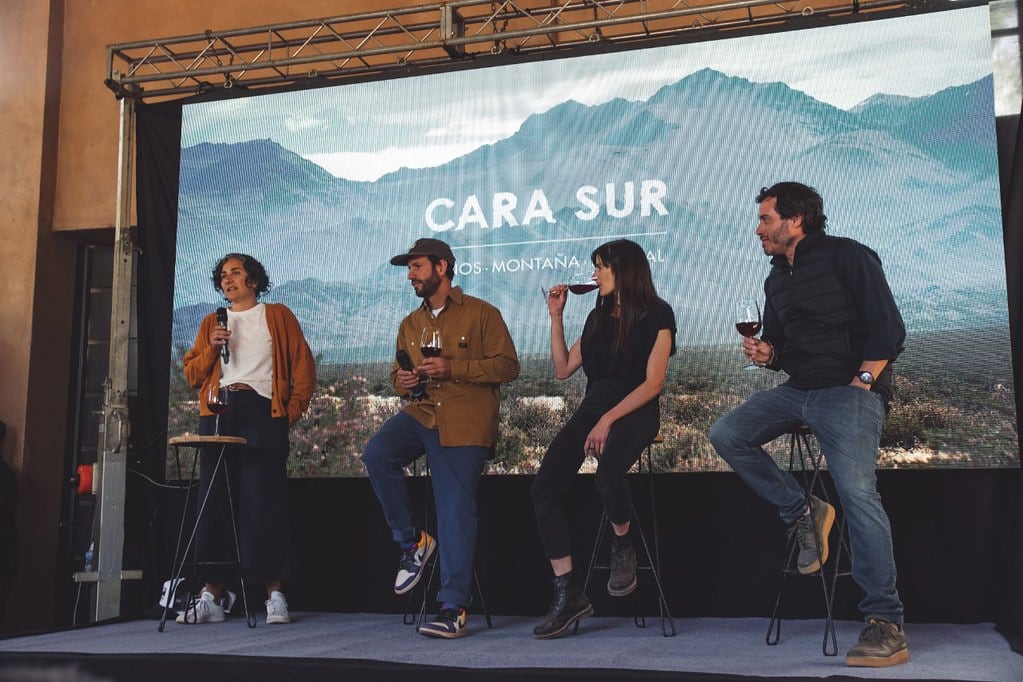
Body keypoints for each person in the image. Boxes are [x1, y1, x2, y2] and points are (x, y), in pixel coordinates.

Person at [708, 182, 909, 667]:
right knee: (727, 434)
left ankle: (886, 623)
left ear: (795, 219)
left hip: (848, 390)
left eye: (765, 219)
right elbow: (782, 351)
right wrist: (767, 353)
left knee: (859, 495)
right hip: (798, 390)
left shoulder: (849, 257)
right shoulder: (775, 279)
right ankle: (802, 510)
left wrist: (863, 383)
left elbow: (889, 329)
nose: (758, 229)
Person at [363, 238, 520, 639]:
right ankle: (412, 542)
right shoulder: (410, 324)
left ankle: (452, 608)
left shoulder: (483, 313)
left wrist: (454, 369)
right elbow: (399, 378)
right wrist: (405, 380)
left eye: (416, 267)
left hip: (464, 421)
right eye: (409, 269)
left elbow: (508, 366)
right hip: (421, 413)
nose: (410, 276)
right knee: (378, 454)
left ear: (442, 268)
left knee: (454, 512)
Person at [530, 239, 676, 639]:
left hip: (636, 409)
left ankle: (623, 542)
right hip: (595, 408)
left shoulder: (657, 314)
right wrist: (556, 317)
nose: (594, 274)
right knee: (544, 487)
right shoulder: (597, 316)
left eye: (600, 267)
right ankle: (568, 593)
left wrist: (608, 420)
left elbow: (654, 383)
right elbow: (563, 369)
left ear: (623, 269)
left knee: (608, 471)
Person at [180, 253, 316, 625]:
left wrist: (287, 416)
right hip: (219, 411)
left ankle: (274, 595)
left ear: (254, 280)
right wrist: (212, 345)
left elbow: (304, 370)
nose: (228, 280)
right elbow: (192, 375)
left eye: (236, 273)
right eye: (223, 276)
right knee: (216, 501)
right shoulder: (213, 322)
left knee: (263, 502)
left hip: (262, 412)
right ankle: (211, 595)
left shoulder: (278, 315)